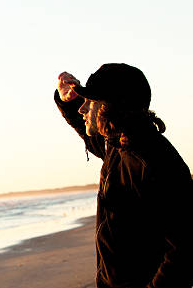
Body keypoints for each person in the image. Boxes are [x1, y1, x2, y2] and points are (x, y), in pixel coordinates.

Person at [54, 63, 193, 288]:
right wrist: (68, 101)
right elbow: (90, 135)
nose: (82, 109)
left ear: (109, 107)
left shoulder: (152, 161)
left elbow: (185, 248)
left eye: (89, 102)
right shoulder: (117, 144)